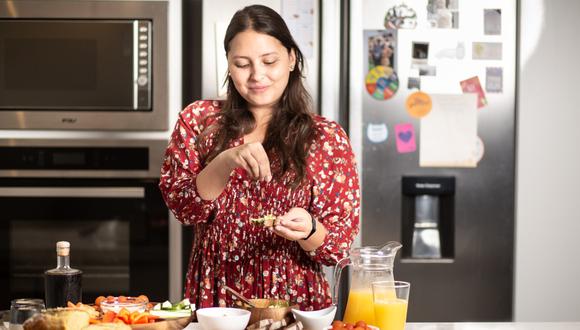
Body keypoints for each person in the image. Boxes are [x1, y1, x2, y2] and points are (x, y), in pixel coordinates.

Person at [159, 4, 360, 311]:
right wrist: (226, 160)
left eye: (270, 61)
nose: (257, 75)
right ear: (228, 64)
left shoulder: (325, 138)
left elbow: (338, 248)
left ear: (291, 59)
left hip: (297, 304)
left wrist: (308, 229)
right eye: (242, 64)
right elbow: (185, 209)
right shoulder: (198, 121)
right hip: (217, 301)